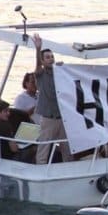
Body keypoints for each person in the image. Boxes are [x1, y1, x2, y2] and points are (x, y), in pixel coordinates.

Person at [32, 33, 72, 164]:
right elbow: (37, 67)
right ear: (43, 61)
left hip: (62, 117)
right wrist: (38, 48)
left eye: (52, 57)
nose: (51, 59)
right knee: (44, 147)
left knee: (67, 147)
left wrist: (64, 68)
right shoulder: (41, 74)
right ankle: (40, 168)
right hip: (48, 118)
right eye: (47, 57)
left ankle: (69, 167)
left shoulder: (59, 73)